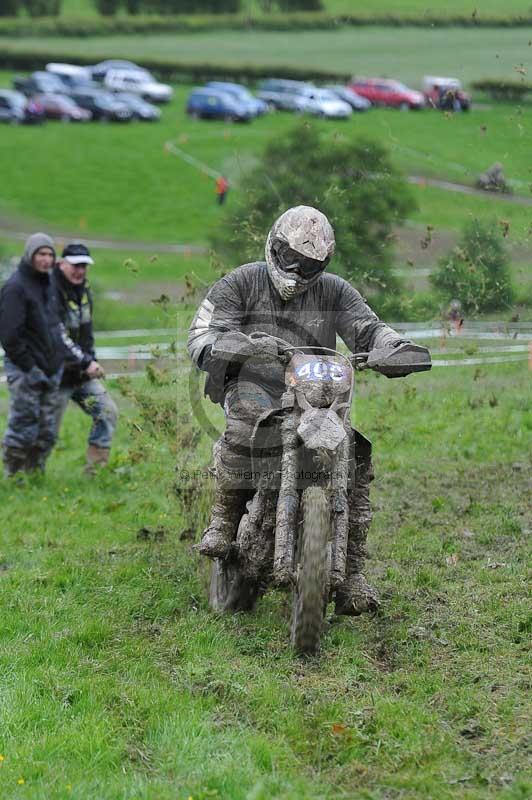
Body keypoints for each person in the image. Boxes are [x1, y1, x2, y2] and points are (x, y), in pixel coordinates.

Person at [188, 205, 415, 616]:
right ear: (275, 245)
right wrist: (235, 345)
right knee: (242, 431)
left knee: (356, 457)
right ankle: (224, 518)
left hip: (318, 397)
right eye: (290, 257)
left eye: (308, 263)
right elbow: (203, 332)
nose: (296, 269)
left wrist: (391, 347)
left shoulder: (336, 291)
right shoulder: (241, 281)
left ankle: (354, 571)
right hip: (254, 390)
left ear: (323, 263)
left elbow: (369, 327)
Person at [0, 233, 88, 477]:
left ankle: (35, 474)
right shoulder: (15, 287)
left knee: (47, 430)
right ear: (30, 255)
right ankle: (15, 477)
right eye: (41, 254)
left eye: (50, 254)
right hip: (26, 370)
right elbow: (9, 336)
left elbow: (54, 327)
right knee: (23, 426)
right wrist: (30, 368)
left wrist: (57, 361)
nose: (46, 259)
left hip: (51, 368)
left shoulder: (48, 284)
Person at [52, 243, 118, 473]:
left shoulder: (84, 291)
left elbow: (86, 331)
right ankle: (26, 476)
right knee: (46, 432)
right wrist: (86, 362)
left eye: (84, 266)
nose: (80, 271)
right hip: (56, 373)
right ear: (62, 264)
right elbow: (57, 337)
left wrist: (91, 357)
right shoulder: (50, 292)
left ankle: (95, 472)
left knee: (107, 411)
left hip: (80, 373)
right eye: (75, 265)